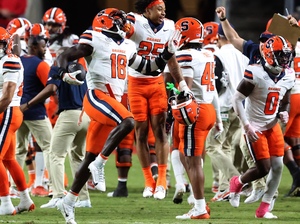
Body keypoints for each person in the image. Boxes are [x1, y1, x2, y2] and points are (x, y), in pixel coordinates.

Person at [54, 8, 181, 224]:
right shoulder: (94, 38)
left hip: (112, 102)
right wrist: (63, 72)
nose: (124, 24)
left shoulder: (128, 46)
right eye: (119, 21)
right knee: (129, 121)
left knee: (89, 158)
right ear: (105, 22)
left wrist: (167, 53)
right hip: (97, 96)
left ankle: (68, 200)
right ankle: (101, 164)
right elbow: (65, 55)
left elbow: (149, 68)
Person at [113, 0, 191, 200]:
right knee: (140, 132)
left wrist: (181, 82)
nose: (163, 12)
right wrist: (123, 24)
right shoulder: (136, 21)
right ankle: (149, 181)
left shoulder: (170, 27)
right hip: (136, 83)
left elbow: (171, 58)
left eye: (164, 8)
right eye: (159, 8)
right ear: (147, 10)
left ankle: (162, 180)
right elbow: (127, 28)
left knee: (160, 130)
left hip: (156, 83)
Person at [231, 35, 295, 219]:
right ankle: (237, 182)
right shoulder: (255, 73)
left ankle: (265, 207)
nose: (284, 59)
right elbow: (237, 99)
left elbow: (284, 99)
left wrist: (283, 112)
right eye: (280, 55)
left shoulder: (289, 75)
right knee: (263, 168)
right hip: (255, 126)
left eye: (286, 55)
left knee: (277, 167)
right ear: (268, 54)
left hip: (272, 125)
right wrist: (246, 126)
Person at [164, 17, 222, 220]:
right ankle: (200, 203)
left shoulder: (185, 56)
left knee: (193, 161)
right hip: (207, 109)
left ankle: (199, 208)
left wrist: (171, 111)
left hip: (194, 111)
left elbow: (184, 88)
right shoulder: (208, 54)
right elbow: (213, 88)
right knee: (187, 155)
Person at [20, 55, 91, 208]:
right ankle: (84, 199)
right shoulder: (82, 69)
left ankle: (58, 195)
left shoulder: (59, 69)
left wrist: (28, 104)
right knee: (78, 157)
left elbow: (52, 88)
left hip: (69, 115)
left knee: (55, 155)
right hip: (85, 115)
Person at [205, 23, 249, 202]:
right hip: (241, 106)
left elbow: (218, 83)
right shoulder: (243, 54)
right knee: (229, 146)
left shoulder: (218, 54)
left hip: (223, 105)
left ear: (218, 37)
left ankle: (236, 180)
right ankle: (225, 188)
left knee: (213, 146)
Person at [0, 27, 35, 215]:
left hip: (7, 110)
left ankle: (5, 204)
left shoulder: (10, 61)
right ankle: (25, 200)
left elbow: (6, 96)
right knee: (8, 158)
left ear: (7, 45)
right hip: (7, 112)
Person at [16, 23, 53, 197]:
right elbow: (52, 88)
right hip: (35, 112)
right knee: (51, 148)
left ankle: (9, 187)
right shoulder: (41, 64)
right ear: (34, 45)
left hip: (17, 111)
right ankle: (55, 187)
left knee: (18, 150)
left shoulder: (18, 61)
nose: (45, 48)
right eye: (43, 45)